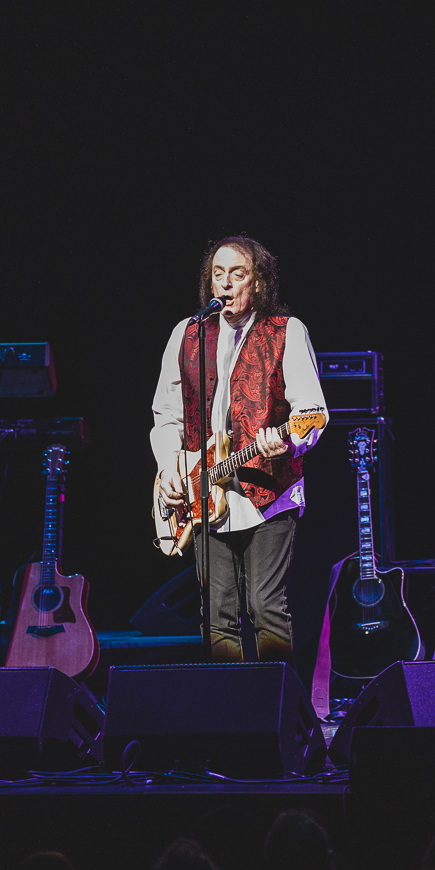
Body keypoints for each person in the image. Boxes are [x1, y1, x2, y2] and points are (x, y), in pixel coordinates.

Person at [151, 235, 327, 663]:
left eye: (237, 274)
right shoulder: (187, 333)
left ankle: (280, 710)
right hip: (203, 491)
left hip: (268, 491)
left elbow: (312, 410)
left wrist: (285, 441)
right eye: (218, 274)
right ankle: (230, 713)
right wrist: (169, 468)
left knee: (265, 607)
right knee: (216, 614)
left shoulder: (287, 330)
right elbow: (167, 412)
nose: (225, 284)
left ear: (259, 283)